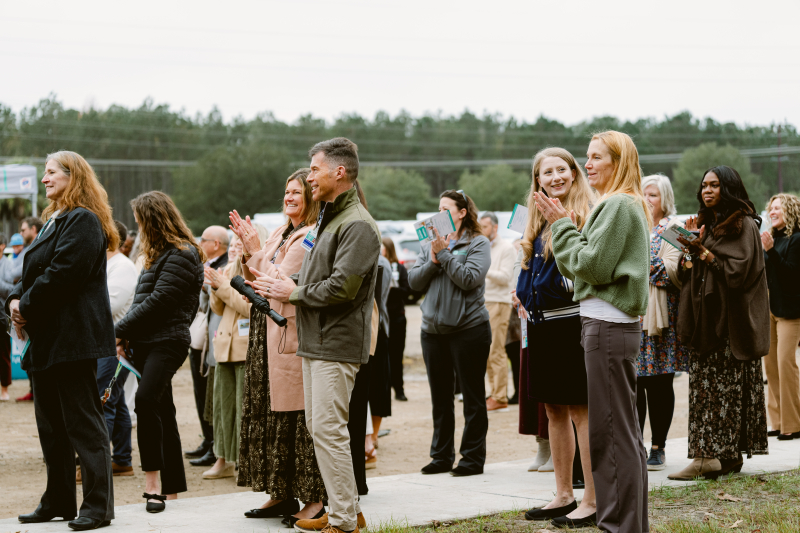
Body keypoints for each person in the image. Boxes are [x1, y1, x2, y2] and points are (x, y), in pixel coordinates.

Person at [249, 138, 379, 533]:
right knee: (320, 429)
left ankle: (344, 522)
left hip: (336, 342)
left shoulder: (357, 224)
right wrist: (285, 281)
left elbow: (343, 288)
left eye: (315, 170)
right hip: (315, 339)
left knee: (328, 429)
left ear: (340, 172)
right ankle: (346, 511)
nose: (309, 178)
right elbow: (315, 274)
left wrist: (294, 293)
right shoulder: (327, 218)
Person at [535, 131, 651, 532]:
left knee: (611, 435)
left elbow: (591, 266)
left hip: (607, 326)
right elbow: (581, 264)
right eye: (587, 156)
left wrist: (563, 226)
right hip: (608, 325)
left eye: (596, 157)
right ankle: (627, 522)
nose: (587, 164)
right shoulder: (620, 204)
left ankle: (619, 524)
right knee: (619, 432)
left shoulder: (618, 204)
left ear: (617, 162)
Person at [7, 150, 118, 530]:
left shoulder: (83, 220)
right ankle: (58, 501)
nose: (44, 178)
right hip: (48, 339)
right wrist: (13, 300)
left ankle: (98, 506)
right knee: (51, 427)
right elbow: (33, 274)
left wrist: (26, 305)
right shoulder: (56, 220)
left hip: (74, 339)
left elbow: (63, 274)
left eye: (51, 172)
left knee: (83, 425)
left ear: (74, 176)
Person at [230, 170, 326, 526]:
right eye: (286, 191)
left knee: (297, 422)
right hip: (264, 337)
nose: (289, 197)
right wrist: (249, 252)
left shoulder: (309, 237)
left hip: (289, 336)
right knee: (271, 420)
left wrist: (255, 252)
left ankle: (314, 500)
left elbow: (273, 281)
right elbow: (254, 278)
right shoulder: (280, 233)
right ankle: (281, 492)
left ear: (311, 198)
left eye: (296, 192)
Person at [669, 166, 770, 481]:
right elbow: (691, 273)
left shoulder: (743, 226)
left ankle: (708, 458)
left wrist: (703, 252)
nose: (706, 191)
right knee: (706, 389)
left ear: (729, 188)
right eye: (703, 186)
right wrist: (689, 249)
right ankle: (724, 456)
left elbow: (737, 274)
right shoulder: (707, 225)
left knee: (719, 391)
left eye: (714, 185)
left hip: (729, 326)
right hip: (705, 323)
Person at [514, 147, 597, 525]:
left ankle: (593, 499)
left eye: (561, 169)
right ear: (537, 181)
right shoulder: (537, 221)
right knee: (552, 409)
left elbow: (579, 271)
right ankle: (564, 494)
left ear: (574, 173)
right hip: (539, 325)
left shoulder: (583, 214)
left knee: (581, 410)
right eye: (546, 173)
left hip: (571, 323)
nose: (555, 178)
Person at [115, 191, 205, 513]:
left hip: (168, 341)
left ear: (152, 219)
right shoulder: (157, 255)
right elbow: (142, 301)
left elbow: (159, 302)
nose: (138, 228)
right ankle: (173, 488)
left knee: (145, 400)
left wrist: (118, 330)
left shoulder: (183, 254)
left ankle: (153, 486)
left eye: (140, 221)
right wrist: (126, 338)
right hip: (145, 342)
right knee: (163, 410)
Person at [408, 189, 492, 478]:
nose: (439, 213)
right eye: (438, 208)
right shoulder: (427, 243)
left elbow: (469, 280)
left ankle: (471, 458)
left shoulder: (478, 243)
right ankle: (441, 456)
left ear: (462, 212)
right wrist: (433, 259)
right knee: (440, 398)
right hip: (432, 331)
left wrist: (443, 253)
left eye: (446, 209)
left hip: (469, 329)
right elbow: (413, 283)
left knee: (472, 396)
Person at [78, 220, 140, 484]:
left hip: (113, 346)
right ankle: (122, 460)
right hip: (102, 343)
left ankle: (95, 465)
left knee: (102, 403)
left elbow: (109, 306)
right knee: (114, 402)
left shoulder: (122, 267)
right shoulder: (106, 265)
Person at [637, 175, 689, 471]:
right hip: (632, 314)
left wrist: (638, 259)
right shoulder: (634, 226)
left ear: (665, 198)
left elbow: (673, 272)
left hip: (661, 319)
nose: (647, 199)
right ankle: (636, 444)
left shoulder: (674, 229)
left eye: (653, 195)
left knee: (659, 383)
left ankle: (659, 446)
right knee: (633, 384)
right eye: (643, 193)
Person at [184, 225, 229, 467]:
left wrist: (203, 283)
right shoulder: (211, 264)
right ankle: (206, 440)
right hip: (202, 333)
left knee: (209, 392)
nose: (199, 243)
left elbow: (212, 299)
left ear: (216, 244)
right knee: (200, 390)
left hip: (213, 334)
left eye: (203, 239)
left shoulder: (225, 265)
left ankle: (213, 444)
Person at [761, 193, 800, 440]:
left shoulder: (796, 240)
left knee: (786, 365)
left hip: (790, 312)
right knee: (771, 367)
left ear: (790, 211)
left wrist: (771, 251)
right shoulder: (771, 238)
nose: (772, 212)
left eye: (778, 208)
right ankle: (776, 421)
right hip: (771, 310)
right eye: (771, 208)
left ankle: (793, 424)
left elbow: (791, 275)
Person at [479, 211, 516, 411]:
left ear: (495, 227)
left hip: (499, 302)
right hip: (485, 301)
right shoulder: (484, 247)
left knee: (496, 349)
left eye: (484, 226)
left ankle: (500, 396)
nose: (481, 230)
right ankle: (494, 392)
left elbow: (504, 277)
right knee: (487, 350)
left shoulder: (506, 248)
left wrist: (483, 268)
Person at [8, 217, 43, 403]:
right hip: (24, 306)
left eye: (23, 230)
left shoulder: (37, 248)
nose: (21, 234)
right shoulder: (30, 249)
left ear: (33, 229)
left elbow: (18, 274)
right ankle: (33, 391)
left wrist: (23, 305)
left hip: (34, 307)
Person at [381, 236, 410, 402]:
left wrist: (393, 289)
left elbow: (408, 290)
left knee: (397, 355)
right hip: (381, 319)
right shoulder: (375, 265)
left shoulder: (399, 268)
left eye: (382, 247)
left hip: (397, 318)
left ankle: (399, 389)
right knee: (382, 356)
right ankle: (384, 389)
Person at [0, 234, 13, 402]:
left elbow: (13, 289)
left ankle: (4, 389)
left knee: (3, 353)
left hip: (2, 315)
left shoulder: (9, 264)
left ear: (2, 246)